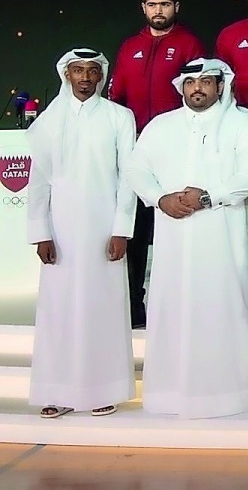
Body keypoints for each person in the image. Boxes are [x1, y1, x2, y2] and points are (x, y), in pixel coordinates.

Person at [127, 58, 248, 418]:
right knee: (175, 310)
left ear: (220, 86)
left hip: (224, 238)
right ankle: (170, 397)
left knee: (224, 309)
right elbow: (136, 168)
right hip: (175, 242)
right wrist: (160, 198)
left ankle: (230, 397)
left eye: (206, 81)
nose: (198, 88)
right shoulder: (161, 126)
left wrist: (210, 196)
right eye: (191, 83)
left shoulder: (239, 123)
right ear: (181, 87)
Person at [27, 48, 136, 420]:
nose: (86, 77)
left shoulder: (119, 117)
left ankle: (101, 391)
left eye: (92, 70)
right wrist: (41, 232)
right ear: (66, 75)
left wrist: (121, 229)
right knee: (59, 311)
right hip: (60, 232)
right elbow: (39, 182)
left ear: (101, 76)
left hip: (105, 231)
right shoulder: (46, 123)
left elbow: (128, 179)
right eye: (78, 71)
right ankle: (55, 391)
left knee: (101, 309)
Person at [108, 0, 206, 329]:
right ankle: (134, 304)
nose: (158, 10)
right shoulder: (129, 46)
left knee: (174, 231)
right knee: (134, 234)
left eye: (165, 3)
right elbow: (115, 98)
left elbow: (200, 97)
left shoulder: (189, 44)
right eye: (152, 4)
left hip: (175, 155)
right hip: (135, 155)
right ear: (144, 8)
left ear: (175, 7)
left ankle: (179, 306)